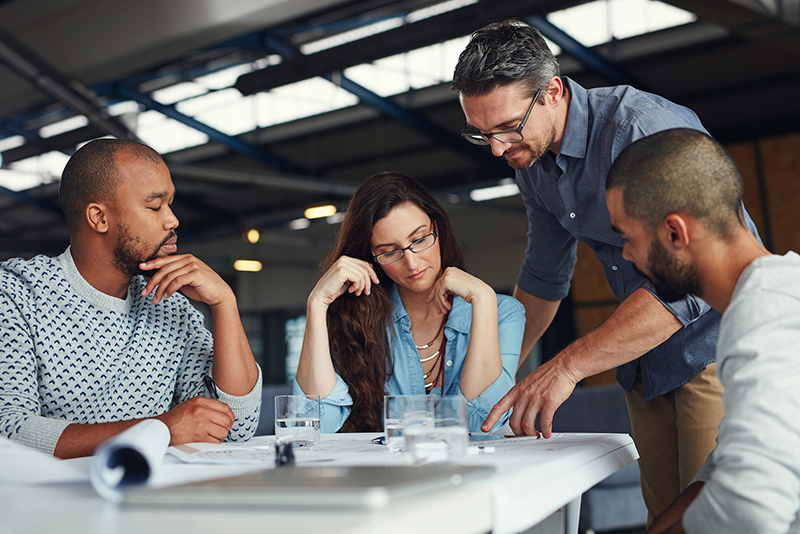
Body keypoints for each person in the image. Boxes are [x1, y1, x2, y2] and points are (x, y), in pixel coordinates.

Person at [451, 19, 761, 521]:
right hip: (643, 363)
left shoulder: (641, 128)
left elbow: (688, 281)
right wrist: (500, 373)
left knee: (717, 520)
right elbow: (544, 275)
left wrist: (568, 365)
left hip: (714, 347)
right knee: (664, 516)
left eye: (507, 127)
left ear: (552, 91)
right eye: (481, 133)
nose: (497, 148)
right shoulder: (531, 163)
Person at [0, 139, 262, 459]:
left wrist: (224, 303)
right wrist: (160, 430)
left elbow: (235, 428)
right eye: (155, 206)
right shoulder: (15, 294)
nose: (172, 220)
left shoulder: (171, 305)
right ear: (99, 218)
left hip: (150, 502)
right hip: (51, 505)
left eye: (170, 204)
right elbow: (9, 431)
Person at [606, 127, 800, 534]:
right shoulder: (769, 295)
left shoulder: (766, 312)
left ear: (675, 233)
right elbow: (729, 460)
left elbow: (752, 509)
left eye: (628, 239)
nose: (626, 256)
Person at [294, 171, 524, 433]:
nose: (412, 263)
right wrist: (317, 303)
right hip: (387, 473)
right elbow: (314, 425)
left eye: (420, 239)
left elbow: (482, 422)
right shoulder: (355, 317)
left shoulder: (503, 312)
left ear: (438, 228)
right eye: (390, 252)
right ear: (370, 258)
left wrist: (483, 299)